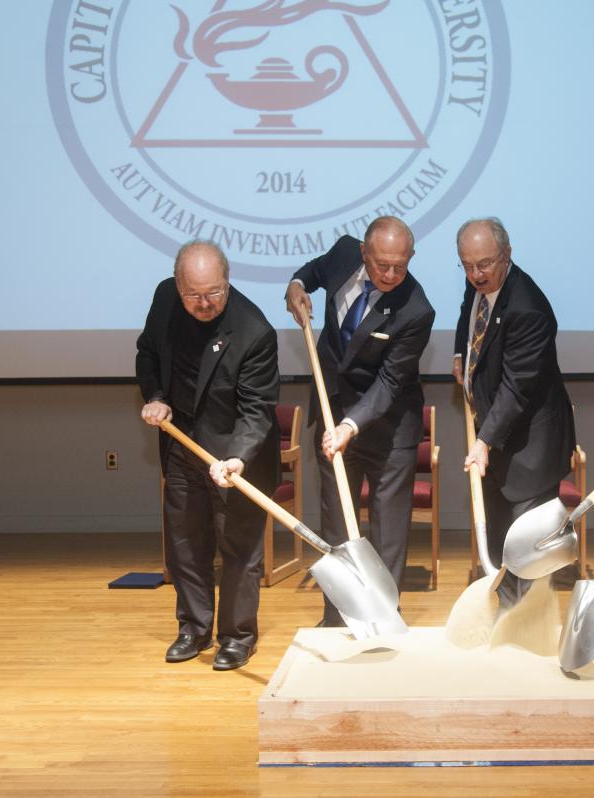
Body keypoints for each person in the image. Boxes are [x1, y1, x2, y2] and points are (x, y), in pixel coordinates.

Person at [136, 240, 279, 671]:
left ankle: (237, 637)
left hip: (237, 456)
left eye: (214, 292)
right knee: (185, 543)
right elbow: (147, 353)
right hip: (182, 444)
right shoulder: (164, 298)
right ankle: (193, 629)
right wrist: (156, 396)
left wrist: (237, 458)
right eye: (194, 295)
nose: (204, 303)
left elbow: (257, 411)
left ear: (228, 280)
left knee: (238, 549)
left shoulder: (254, 331)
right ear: (178, 286)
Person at [286, 216, 435, 626]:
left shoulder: (416, 309)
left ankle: (383, 618)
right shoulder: (341, 253)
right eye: (381, 264)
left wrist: (350, 427)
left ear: (411, 257)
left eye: (400, 266)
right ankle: (337, 618)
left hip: (388, 429)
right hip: (333, 409)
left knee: (387, 535)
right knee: (337, 525)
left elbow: (389, 383)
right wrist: (296, 285)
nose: (390, 274)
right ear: (363, 254)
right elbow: (311, 273)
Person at [453, 218, 575, 601]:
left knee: (527, 551)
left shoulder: (529, 309)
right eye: (467, 265)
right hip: (498, 436)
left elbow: (516, 389)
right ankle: (504, 617)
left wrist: (484, 441)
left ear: (507, 255)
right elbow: (468, 314)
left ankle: (527, 633)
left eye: (485, 264)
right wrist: (461, 353)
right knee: (499, 540)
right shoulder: (480, 280)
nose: (475, 275)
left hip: (530, 447)